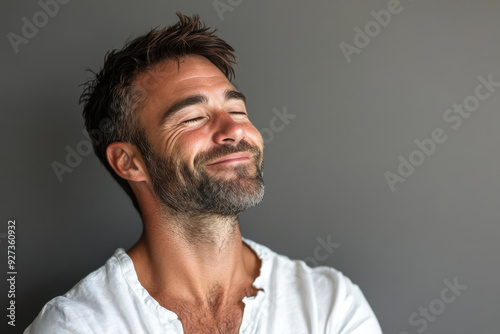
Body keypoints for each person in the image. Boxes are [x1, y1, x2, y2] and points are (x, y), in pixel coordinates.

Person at [25, 13, 382, 334]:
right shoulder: (79, 326)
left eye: (238, 111)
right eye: (193, 117)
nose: (234, 129)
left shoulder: (330, 306)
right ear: (129, 162)